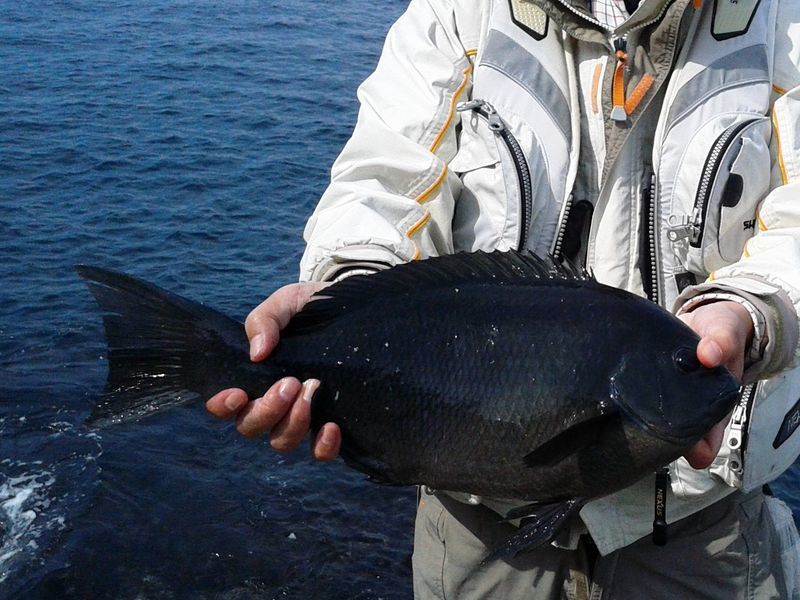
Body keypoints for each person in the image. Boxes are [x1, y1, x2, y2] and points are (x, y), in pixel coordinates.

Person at [207, 0, 800, 597]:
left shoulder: (784, 22)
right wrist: (346, 290)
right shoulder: (457, 13)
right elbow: (387, 181)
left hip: (704, 522)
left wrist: (751, 310)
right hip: (475, 515)